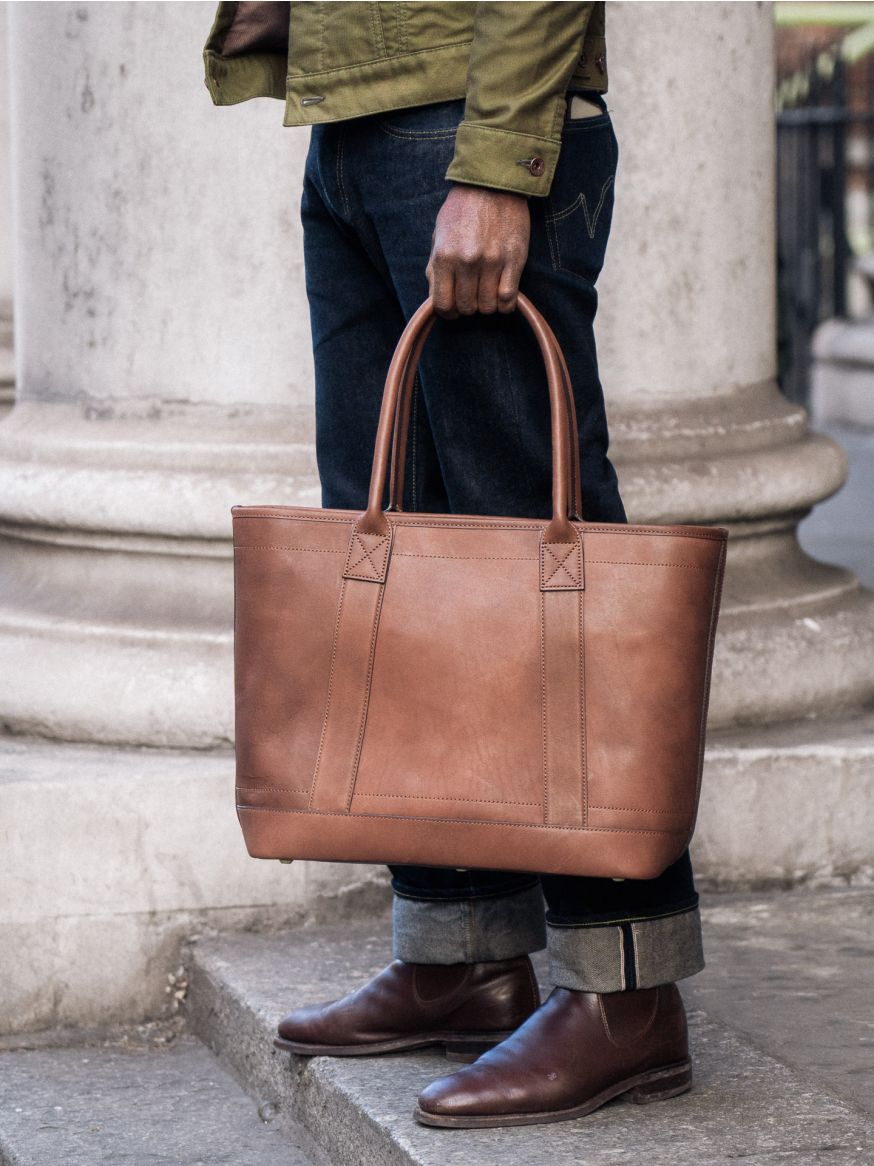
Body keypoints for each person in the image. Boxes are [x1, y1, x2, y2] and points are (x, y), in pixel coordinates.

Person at [204, 1, 703, 1129]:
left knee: (542, 560)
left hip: (464, 120)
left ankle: (627, 988)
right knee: (402, 558)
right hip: (355, 115)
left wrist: (496, 161)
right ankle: (461, 951)